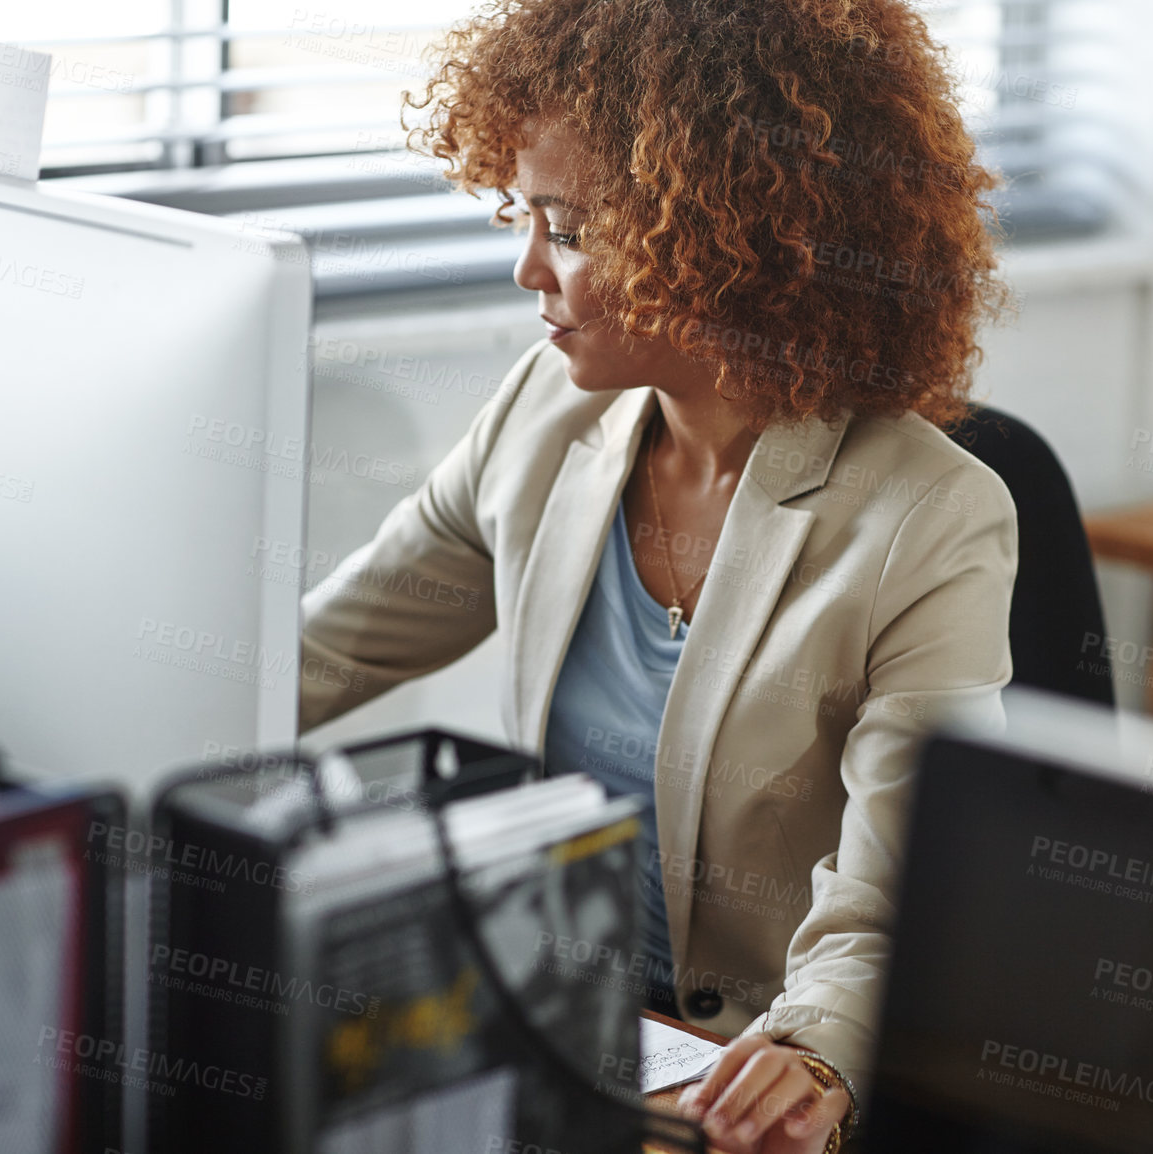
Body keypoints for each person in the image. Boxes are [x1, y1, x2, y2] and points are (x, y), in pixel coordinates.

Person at [298, 1, 1023, 1149]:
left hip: (738, 1084)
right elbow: (321, 651)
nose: (528, 266)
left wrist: (810, 1050)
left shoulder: (929, 515)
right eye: (524, 214)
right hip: (557, 1036)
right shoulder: (541, 414)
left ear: (728, 235)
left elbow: (903, 884)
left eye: (570, 227)